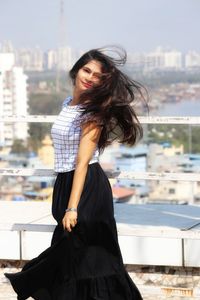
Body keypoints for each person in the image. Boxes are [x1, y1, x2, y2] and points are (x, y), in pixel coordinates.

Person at [5, 47, 147, 299]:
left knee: (92, 259)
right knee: (74, 260)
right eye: (86, 70)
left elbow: (82, 162)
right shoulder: (68, 104)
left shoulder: (93, 113)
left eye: (97, 76)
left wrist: (72, 208)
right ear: (76, 70)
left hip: (86, 189)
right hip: (65, 182)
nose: (90, 77)